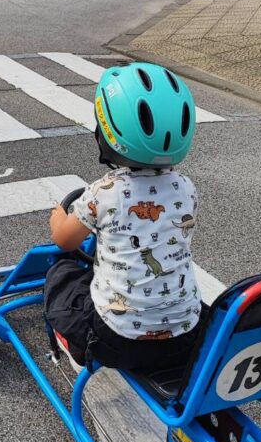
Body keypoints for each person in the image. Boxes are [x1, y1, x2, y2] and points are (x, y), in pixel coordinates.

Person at [44, 62, 203, 374]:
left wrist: (57, 216)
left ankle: (76, 345)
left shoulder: (104, 192)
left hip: (119, 343)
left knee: (61, 274)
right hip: (186, 339)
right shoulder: (186, 188)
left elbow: (63, 240)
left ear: (106, 133)